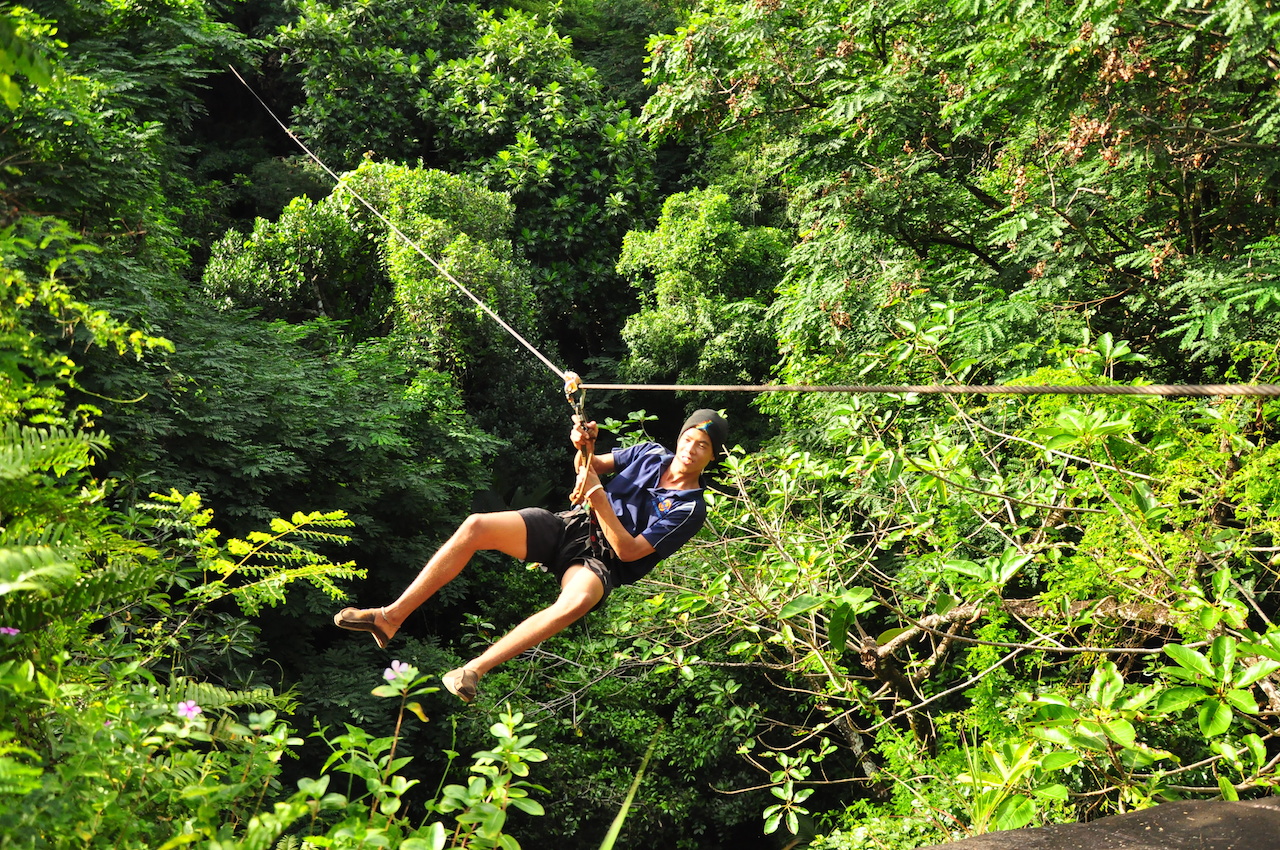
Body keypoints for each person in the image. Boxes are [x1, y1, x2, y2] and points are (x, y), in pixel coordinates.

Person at [333, 409, 729, 703]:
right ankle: (390, 617)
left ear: (712, 457)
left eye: (703, 446)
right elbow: (588, 467)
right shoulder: (649, 454)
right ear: (680, 437)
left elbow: (628, 551)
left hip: (603, 561)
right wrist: (584, 445)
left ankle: (472, 671)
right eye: (689, 439)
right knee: (475, 526)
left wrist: (597, 494)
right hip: (572, 525)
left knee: (577, 601)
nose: (691, 449)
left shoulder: (690, 509)